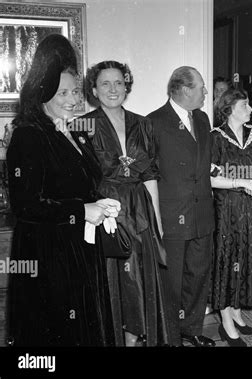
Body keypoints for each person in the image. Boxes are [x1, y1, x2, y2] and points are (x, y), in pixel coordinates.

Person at [6, 34, 116, 346]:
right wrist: (82, 210)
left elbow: (83, 185)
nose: (73, 99)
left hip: (80, 248)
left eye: (75, 91)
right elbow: (25, 206)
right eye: (63, 92)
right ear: (42, 92)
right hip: (48, 255)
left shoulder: (76, 132)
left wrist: (101, 203)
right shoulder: (28, 136)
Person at [84, 61, 169, 346]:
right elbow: (79, 181)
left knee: (138, 280)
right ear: (94, 89)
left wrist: (157, 222)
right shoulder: (81, 125)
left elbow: (150, 175)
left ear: (127, 86)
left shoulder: (143, 124)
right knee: (112, 279)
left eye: (119, 82)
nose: (113, 89)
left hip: (139, 208)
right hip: (104, 209)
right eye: (105, 83)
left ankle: (133, 340)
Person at [147, 66, 215, 347]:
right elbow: (148, 174)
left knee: (198, 276)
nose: (206, 92)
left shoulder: (202, 119)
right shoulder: (153, 122)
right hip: (172, 217)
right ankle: (170, 337)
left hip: (202, 215)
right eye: (201, 87)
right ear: (185, 90)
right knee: (171, 282)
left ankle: (192, 328)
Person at [209, 88, 252, 346]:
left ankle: (236, 312)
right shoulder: (216, 138)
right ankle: (225, 322)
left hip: (250, 209)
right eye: (245, 105)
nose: (251, 110)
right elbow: (211, 178)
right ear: (229, 108)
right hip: (227, 209)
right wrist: (241, 182)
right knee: (227, 259)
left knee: (245, 258)